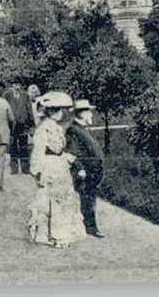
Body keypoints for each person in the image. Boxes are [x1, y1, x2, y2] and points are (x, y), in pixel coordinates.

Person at [27, 91, 86, 248]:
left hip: (59, 166)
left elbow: (61, 150)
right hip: (49, 167)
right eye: (56, 110)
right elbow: (38, 150)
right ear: (48, 111)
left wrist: (73, 161)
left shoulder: (58, 127)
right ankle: (55, 236)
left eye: (61, 109)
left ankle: (56, 234)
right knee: (53, 201)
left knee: (61, 200)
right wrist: (36, 170)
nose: (60, 113)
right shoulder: (43, 129)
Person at [64, 99, 105, 238]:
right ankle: (90, 227)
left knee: (89, 198)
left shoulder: (81, 129)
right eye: (89, 112)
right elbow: (72, 153)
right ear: (82, 113)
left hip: (92, 172)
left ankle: (89, 226)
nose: (91, 115)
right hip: (85, 172)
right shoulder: (74, 130)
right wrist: (80, 168)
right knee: (86, 199)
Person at [2, 82, 34, 174]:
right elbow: (4, 109)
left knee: (24, 146)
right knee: (13, 146)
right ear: (12, 85)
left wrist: (31, 124)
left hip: (23, 125)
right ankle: (14, 168)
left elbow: (29, 109)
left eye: (19, 85)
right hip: (11, 125)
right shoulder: (7, 95)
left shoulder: (25, 95)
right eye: (15, 85)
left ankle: (25, 168)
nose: (17, 87)